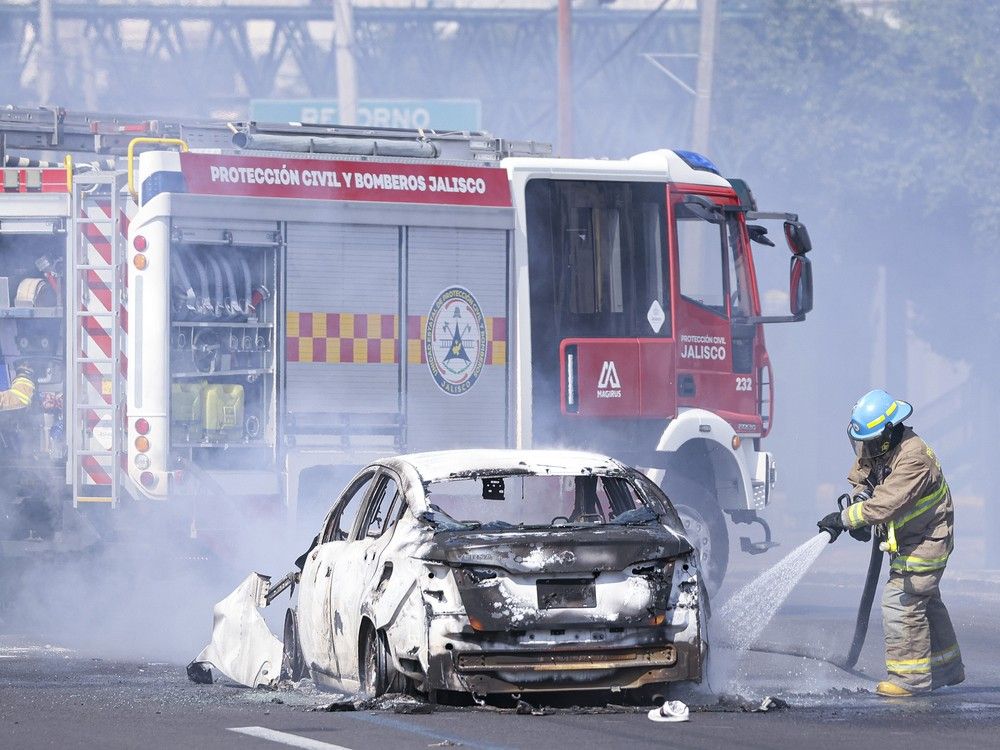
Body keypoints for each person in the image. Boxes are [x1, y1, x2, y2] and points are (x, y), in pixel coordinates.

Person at [817, 389, 963, 697]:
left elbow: (886, 504)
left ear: (887, 433)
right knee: (926, 600)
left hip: (927, 540)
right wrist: (858, 499)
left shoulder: (914, 458)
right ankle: (946, 667)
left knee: (903, 600)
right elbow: (863, 475)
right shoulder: (880, 447)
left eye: (870, 441)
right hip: (908, 538)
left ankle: (909, 680)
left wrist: (846, 518)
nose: (864, 448)